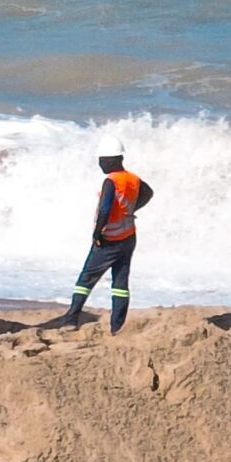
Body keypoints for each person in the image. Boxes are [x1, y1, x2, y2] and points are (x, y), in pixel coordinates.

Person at [44, 136, 152, 333]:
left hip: (109, 239)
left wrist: (97, 233)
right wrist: (132, 209)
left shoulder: (111, 181)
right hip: (128, 236)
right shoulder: (133, 179)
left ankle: (71, 319)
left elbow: (104, 209)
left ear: (111, 159)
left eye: (102, 160)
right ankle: (116, 326)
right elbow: (148, 193)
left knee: (86, 279)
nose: (100, 164)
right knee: (120, 282)